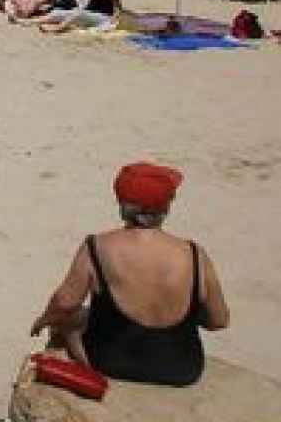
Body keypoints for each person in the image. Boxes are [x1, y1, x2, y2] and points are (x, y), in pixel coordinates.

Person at [29, 162, 230, 386]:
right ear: (165, 208)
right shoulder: (195, 255)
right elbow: (219, 320)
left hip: (111, 363)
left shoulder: (98, 246)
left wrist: (43, 321)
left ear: (122, 204)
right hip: (182, 369)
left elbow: (64, 302)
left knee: (67, 322)